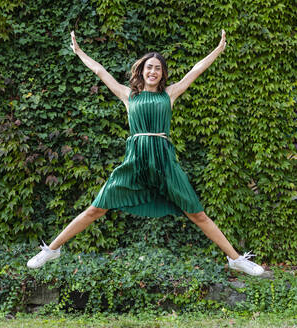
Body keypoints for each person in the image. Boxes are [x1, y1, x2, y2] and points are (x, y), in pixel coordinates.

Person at [27, 30, 265, 276]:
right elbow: (100, 71)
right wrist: (79, 52)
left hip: (164, 162)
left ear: (162, 74)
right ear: (142, 70)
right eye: (149, 67)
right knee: (96, 208)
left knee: (197, 214)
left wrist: (218, 50)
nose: (153, 71)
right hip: (135, 162)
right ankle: (51, 250)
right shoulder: (128, 95)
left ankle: (236, 259)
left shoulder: (169, 94)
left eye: (158, 68)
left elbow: (196, 70)